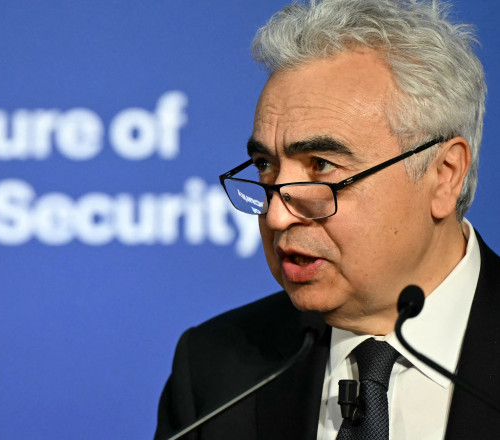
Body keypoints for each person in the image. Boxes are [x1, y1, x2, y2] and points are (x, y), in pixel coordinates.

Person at [154, 0, 500, 439]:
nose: (276, 214)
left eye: (321, 165)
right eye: (265, 165)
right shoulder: (215, 369)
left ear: (444, 175)